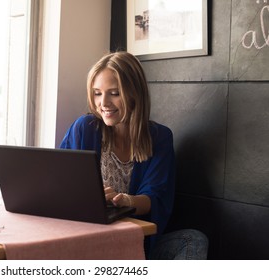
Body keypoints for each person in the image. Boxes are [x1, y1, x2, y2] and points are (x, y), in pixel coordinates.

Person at [59, 51, 208, 259]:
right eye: (97, 93)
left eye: (114, 93)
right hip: (89, 238)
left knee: (192, 240)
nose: (104, 103)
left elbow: (155, 198)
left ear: (134, 93)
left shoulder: (159, 137)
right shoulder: (85, 128)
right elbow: (61, 184)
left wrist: (126, 201)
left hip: (134, 240)